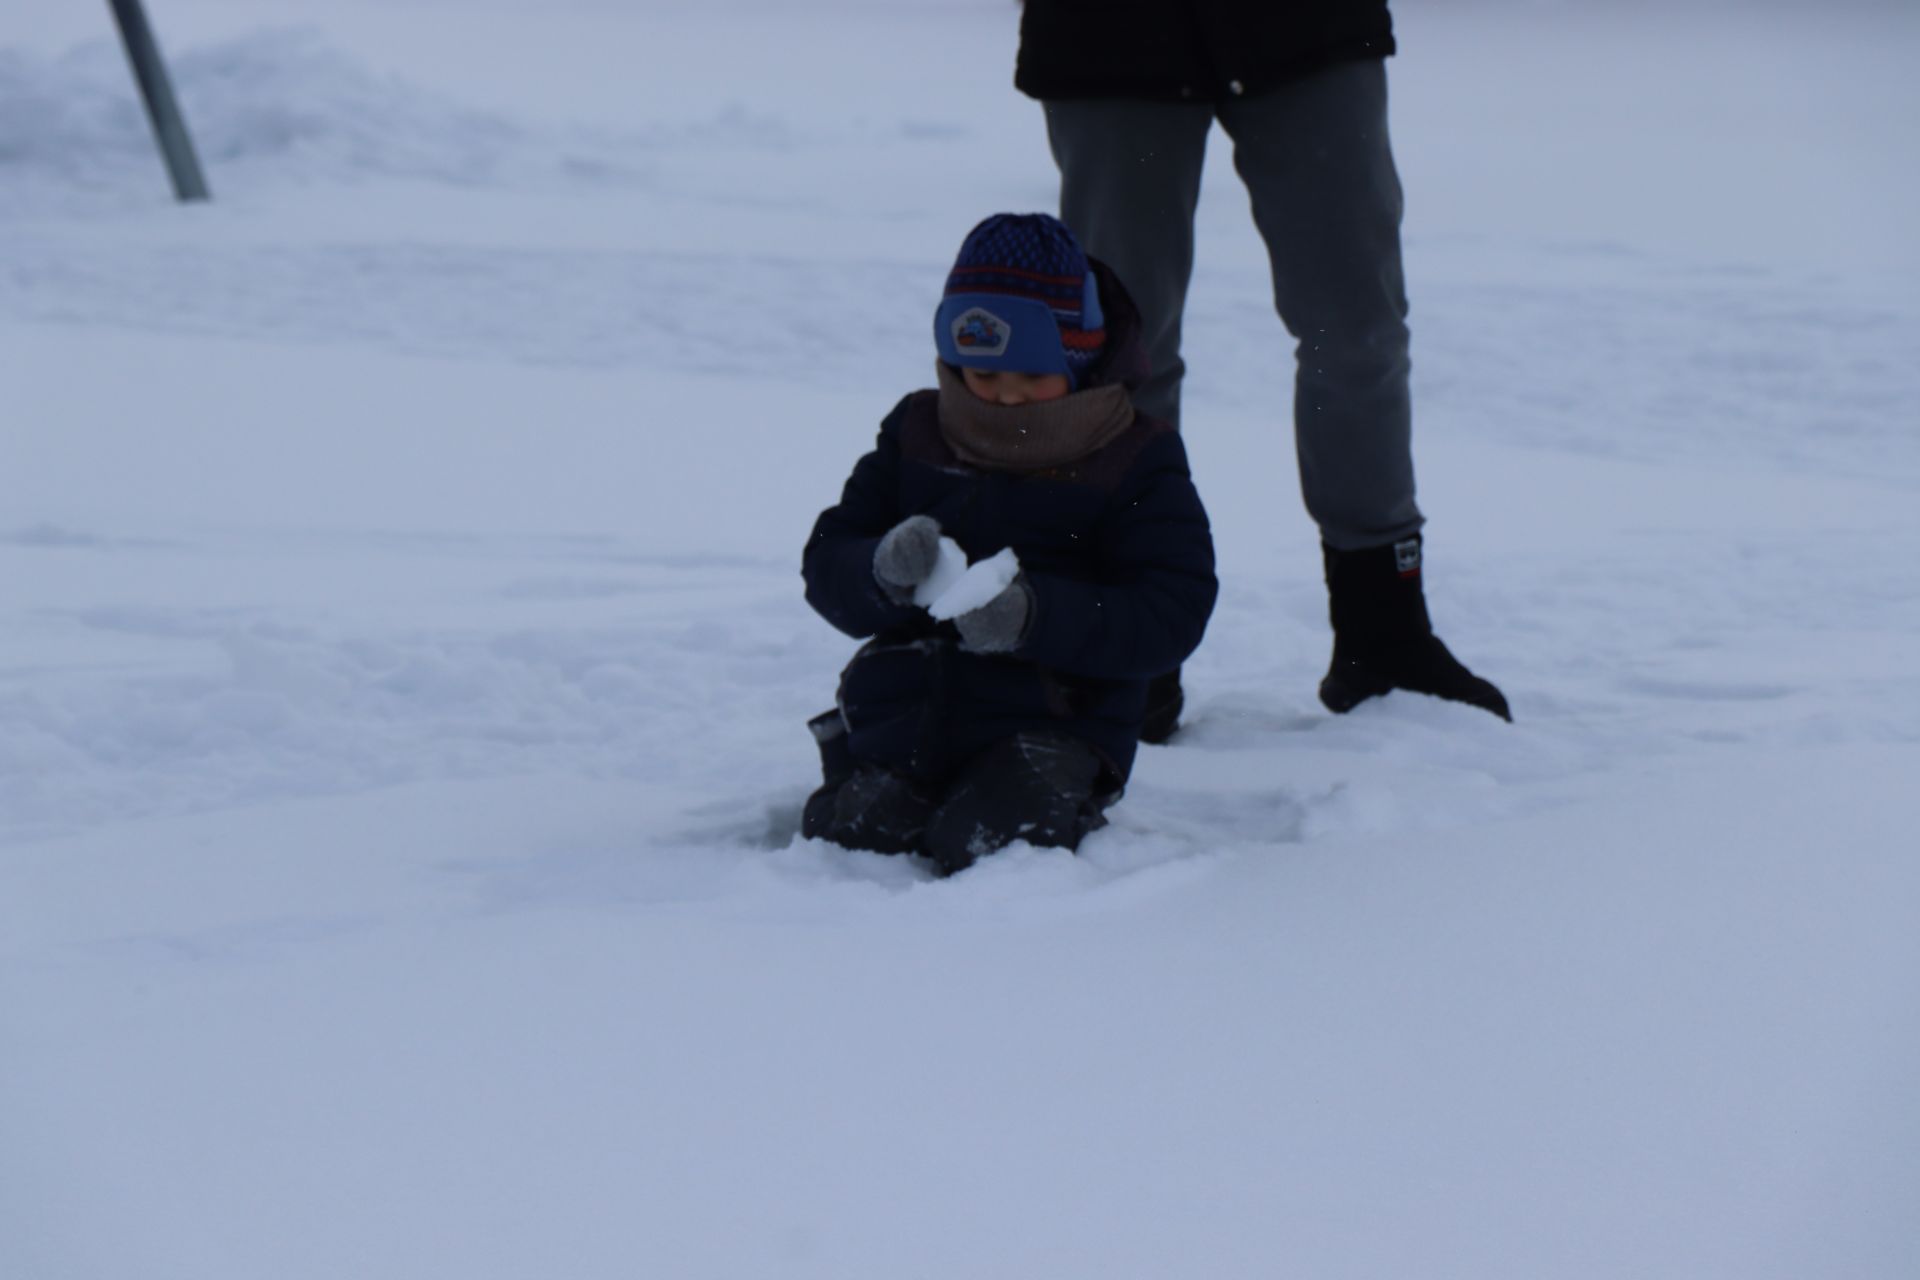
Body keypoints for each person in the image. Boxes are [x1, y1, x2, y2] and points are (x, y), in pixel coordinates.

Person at [1016, 0, 1510, 739]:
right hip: (1109, 34)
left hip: (1305, 26)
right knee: (1122, 349)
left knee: (1357, 334)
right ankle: (1126, 645)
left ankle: (1384, 630)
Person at [801, 213, 1217, 876]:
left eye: (1031, 374)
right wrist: (878, 570)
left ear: (1081, 360)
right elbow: (828, 561)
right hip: (905, 716)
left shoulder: (1132, 457)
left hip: (1052, 726)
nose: (1006, 398)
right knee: (853, 841)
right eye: (982, 376)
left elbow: (1171, 609)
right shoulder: (916, 432)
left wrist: (1035, 616)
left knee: (991, 843)